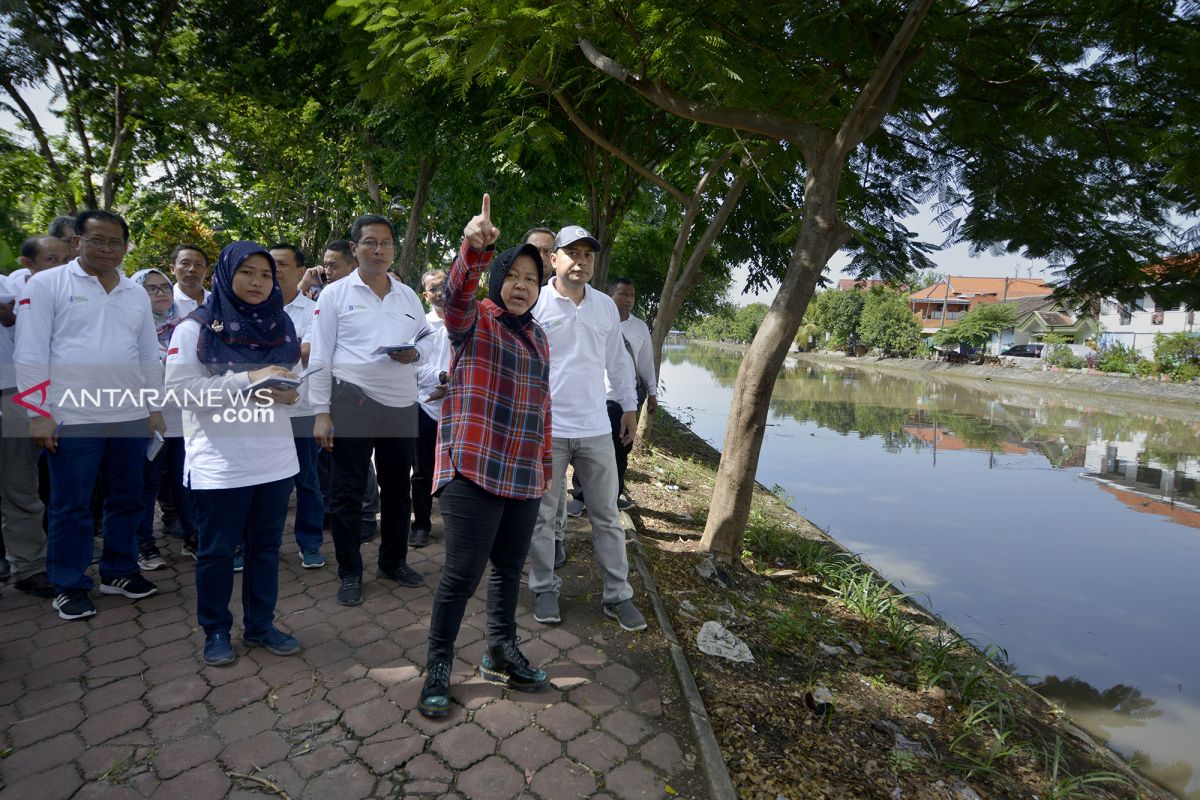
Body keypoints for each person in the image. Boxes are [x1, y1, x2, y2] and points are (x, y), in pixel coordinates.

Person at [420, 195, 553, 718]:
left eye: (532, 279)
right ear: (499, 278)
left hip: (523, 472)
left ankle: (500, 650)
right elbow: (454, 297)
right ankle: (437, 667)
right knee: (461, 574)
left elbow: (542, 405)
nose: (522, 285)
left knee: (508, 569)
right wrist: (472, 249)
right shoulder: (474, 319)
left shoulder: (540, 337)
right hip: (472, 466)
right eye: (514, 275)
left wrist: (544, 467)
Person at [14, 210, 165, 620]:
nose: (107, 248)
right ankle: (69, 582)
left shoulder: (134, 292)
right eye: (97, 239)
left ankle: (119, 571)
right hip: (72, 416)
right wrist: (38, 413)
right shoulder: (47, 285)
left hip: (130, 414)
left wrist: (154, 406)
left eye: (116, 242)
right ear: (77, 241)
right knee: (72, 505)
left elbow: (149, 353)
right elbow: (29, 352)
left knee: (128, 498)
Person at [165, 241, 303, 666]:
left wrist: (288, 394)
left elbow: (296, 383)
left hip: (275, 460)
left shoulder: (280, 326)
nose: (259, 282)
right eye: (248, 272)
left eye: (266, 274)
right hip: (221, 465)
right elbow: (180, 392)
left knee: (264, 549)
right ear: (225, 275)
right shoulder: (196, 328)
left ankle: (260, 625)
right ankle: (216, 631)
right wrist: (249, 379)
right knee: (217, 552)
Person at [527, 225, 647, 632]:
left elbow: (617, 364)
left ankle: (618, 595)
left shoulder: (604, 307)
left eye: (588, 255)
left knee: (607, 515)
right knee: (544, 516)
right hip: (547, 428)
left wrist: (629, 408)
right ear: (554, 259)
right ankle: (544, 586)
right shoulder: (534, 304)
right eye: (572, 253)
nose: (580, 262)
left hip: (596, 427)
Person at [309, 214, 430, 606]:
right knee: (347, 492)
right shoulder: (335, 295)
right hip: (352, 400)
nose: (379, 250)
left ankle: (393, 562)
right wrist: (321, 412)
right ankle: (350, 572)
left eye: (386, 243)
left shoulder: (408, 295)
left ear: (394, 249)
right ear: (355, 248)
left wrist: (413, 354)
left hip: (400, 403)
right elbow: (321, 355)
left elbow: (423, 347)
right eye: (370, 242)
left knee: (397, 490)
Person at [567, 277, 658, 515]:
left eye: (631, 296)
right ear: (610, 296)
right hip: (596, 396)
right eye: (623, 294)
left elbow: (646, 362)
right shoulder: (593, 319)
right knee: (586, 446)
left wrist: (652, 392)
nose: (628, 299)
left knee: (620, 449)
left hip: (625, 400)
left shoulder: (639, 328)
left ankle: (613, 496)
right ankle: (580, 496)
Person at [130, 268, 196, 569]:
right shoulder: (131, 326)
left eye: (165, 287)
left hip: (185, 419)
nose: (161, 293)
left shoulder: (187, 324)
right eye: (151, 288)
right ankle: (144, 544)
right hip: (149, 419)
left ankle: (194, 538)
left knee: (188, 482)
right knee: (145, 485)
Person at [270, 242, 325, 568]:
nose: (274, 272)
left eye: (280, 265)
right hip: (263, 409)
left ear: (300, 271)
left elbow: (306, 353)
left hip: (301, 409)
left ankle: (311, 542)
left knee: (307, 481)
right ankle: (262, 542)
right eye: (269, 265)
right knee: (266, 481)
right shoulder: (255, 308)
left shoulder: (313, 309)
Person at [410, 268, 451, 549]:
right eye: (434, 288)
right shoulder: (419, 325)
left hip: (458, 406)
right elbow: (412, 365)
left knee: (458, 470)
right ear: (426, 295)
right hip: (424, 406)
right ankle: (422, 524)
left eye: (444, 285)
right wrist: (440, 378)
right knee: (422, 471)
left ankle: (459, 525)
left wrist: (452, 384)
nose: (441, 292)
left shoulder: (467, 321)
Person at [170, 244, 211, 317]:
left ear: (207, 271)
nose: (192, 269)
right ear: (172, 269)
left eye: (198, 264)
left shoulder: (217, 302)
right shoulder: (164, 302)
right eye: (185, 263)